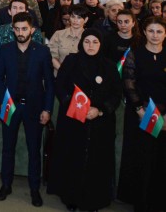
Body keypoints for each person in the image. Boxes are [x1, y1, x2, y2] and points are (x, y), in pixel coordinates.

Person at [49, 29, 121, 211]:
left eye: (95, 42)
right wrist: (72, 105)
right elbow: (60, 86)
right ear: (82, 43)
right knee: (73, 156)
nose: (90, 46)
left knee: (96, 161)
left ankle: (93, 200)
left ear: (101, 44)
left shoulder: (109, 66)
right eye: (87, 41)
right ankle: (70, 197)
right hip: (73, 119)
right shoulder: (72, 61)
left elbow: (116, 94)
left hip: (99, 122)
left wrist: (100, 110)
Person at [0, 12, 54, 207]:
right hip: (10, 107)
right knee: (7, 148)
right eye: (17, 29)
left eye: (24, 29)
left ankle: (34, 189)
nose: (20, 32)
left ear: (32, 30)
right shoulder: (5, 50)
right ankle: (6, 185)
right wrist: (5, 101)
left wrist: (47, 109)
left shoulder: (42, 51)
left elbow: (49, 83)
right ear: (13, 30)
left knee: (34, 150)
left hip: (34, 108)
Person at [118, 16, 166, 209]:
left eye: (159, 31)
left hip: (164, 117)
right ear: (144, 32)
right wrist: (140, 109)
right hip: (140, 113)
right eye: (151, 31)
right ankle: (140, 201)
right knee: (141, 156)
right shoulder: (134, 54)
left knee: (161, 157)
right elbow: (129, 83)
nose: (155, 35)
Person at [49, 4, 89, 72]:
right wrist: (63, 72)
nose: (75, 20)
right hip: (59, 75)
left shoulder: (89, 37)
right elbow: (52, 56)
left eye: (79, 17)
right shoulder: (58, 34)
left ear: (86, 20)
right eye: (73, 17)